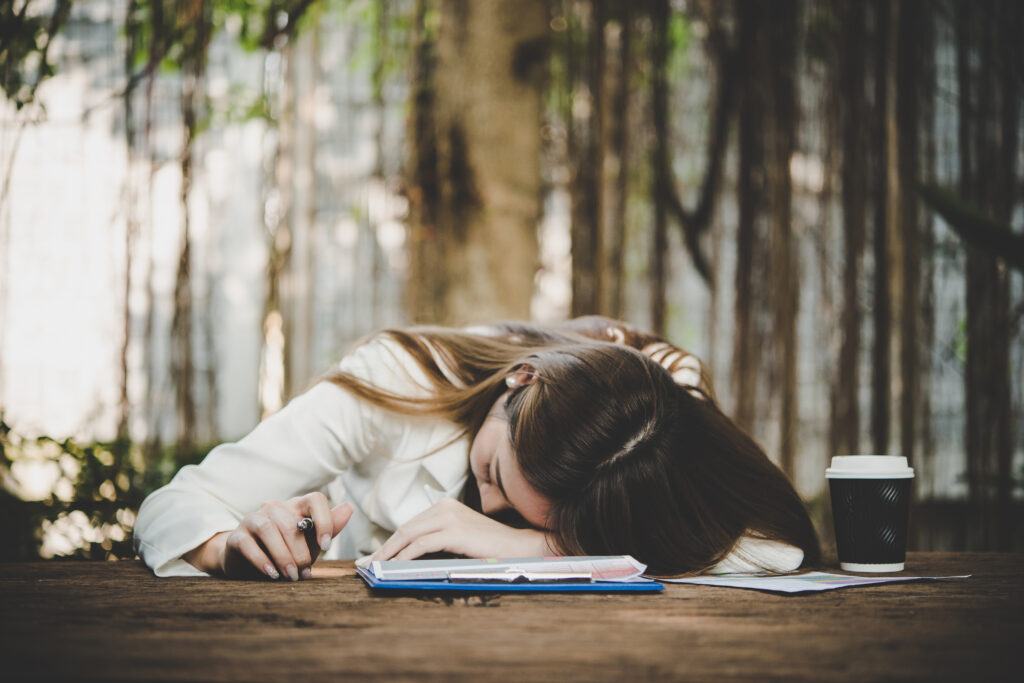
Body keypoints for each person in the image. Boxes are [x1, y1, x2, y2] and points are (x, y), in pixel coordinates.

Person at [134, 316, 820, 581]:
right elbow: (176, 504)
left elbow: (776, 548)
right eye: (493, 470)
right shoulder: (398, 380)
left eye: (536, 513)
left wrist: (532, 546)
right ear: (519, 380)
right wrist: (235, 545)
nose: (488, 501)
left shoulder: (651, 437)